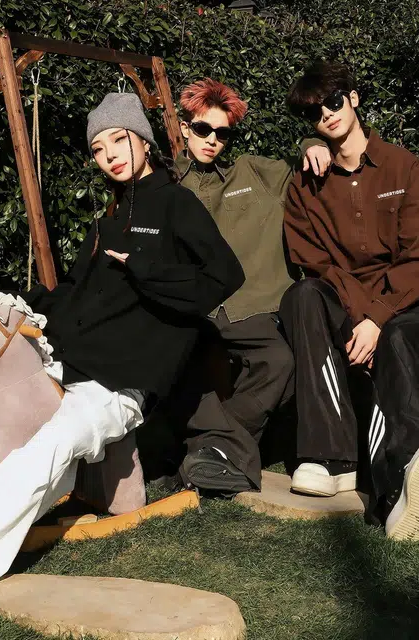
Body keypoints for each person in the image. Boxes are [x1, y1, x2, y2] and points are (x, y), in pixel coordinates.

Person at [0, 92, 244, 614]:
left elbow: (224, 276)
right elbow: (73, 290)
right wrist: (20, 305)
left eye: (118, 140)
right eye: (98, 148)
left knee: (50, 443)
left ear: (143, 140)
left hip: (119, 382)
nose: (110, 155)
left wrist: (145, 269)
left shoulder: (176, 204)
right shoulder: (109, 217)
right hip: (64, 355)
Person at [279, 60, 419, 541]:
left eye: (333, 101)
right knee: (302, 295)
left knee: (396, 339)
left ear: (353, 98)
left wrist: (377, 319)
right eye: (314, 113)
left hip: (410, 303)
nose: (327, 114)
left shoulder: (405, 168)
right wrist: (362, 316)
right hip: (347, 303)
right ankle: (328, 458)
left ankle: (401, 480)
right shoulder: (305, 184)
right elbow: (313, 261)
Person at [170, 78, 331, 494]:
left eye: (222, 133)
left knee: (283, 362)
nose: (213, 140)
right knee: (179, 363)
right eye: (203, 129)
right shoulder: (167, 184)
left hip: (252, 305)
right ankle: (220, 451)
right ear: (185, 127)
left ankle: (210, 448)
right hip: (194, 309)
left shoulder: (252, 172)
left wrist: (312, 142)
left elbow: (300, 165)